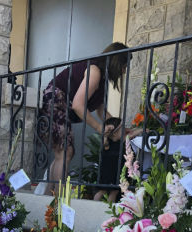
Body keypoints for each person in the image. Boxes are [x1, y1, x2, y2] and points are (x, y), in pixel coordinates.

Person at [38, 41, 140, 194]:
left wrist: (121, 128)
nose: (124, 71)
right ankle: (56, 202)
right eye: (124, 66)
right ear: (116, 62)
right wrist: (99, 128)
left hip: (58, 104)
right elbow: (78, 105)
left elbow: (101, 112)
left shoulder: (101, 78)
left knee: (63, 153)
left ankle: (48, 197)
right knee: (65, 152)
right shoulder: (94, 71)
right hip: (56, 101)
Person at [94, 117, 123, 203]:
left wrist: (140, 130)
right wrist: (107, 131)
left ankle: (110, 211)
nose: (124, 130)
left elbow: (131, 133)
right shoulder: (107, 142)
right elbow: (104, 140)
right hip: (108, 172)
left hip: (115, 171)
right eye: (121, 129)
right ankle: (94, 206)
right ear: (114, 133)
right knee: (103, 191)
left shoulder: (119, 141)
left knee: (114, 191)